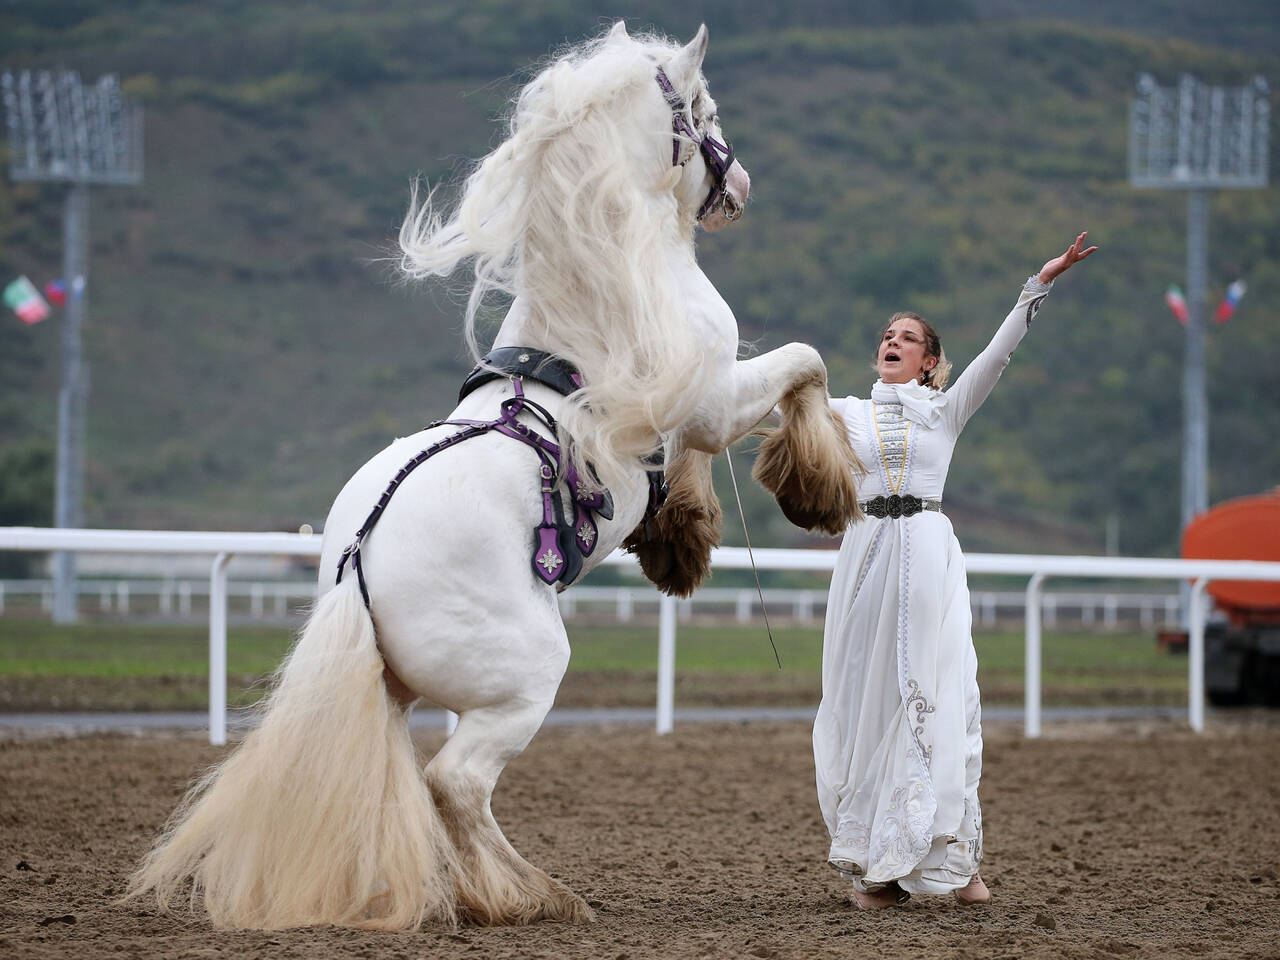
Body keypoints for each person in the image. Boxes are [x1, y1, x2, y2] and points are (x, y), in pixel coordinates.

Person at [813, 232, 1097, 910]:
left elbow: (999, 355)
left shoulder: (947, 409)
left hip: (928, 555)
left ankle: (952, 863)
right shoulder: (843, 414)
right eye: (887, 333)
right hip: (866, 555)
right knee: (865, 699)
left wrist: (1040, 284)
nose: (892, 340)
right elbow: (765, 406)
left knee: (936, 696)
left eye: (907, 337)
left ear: (930, 360)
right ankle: (876, 871)